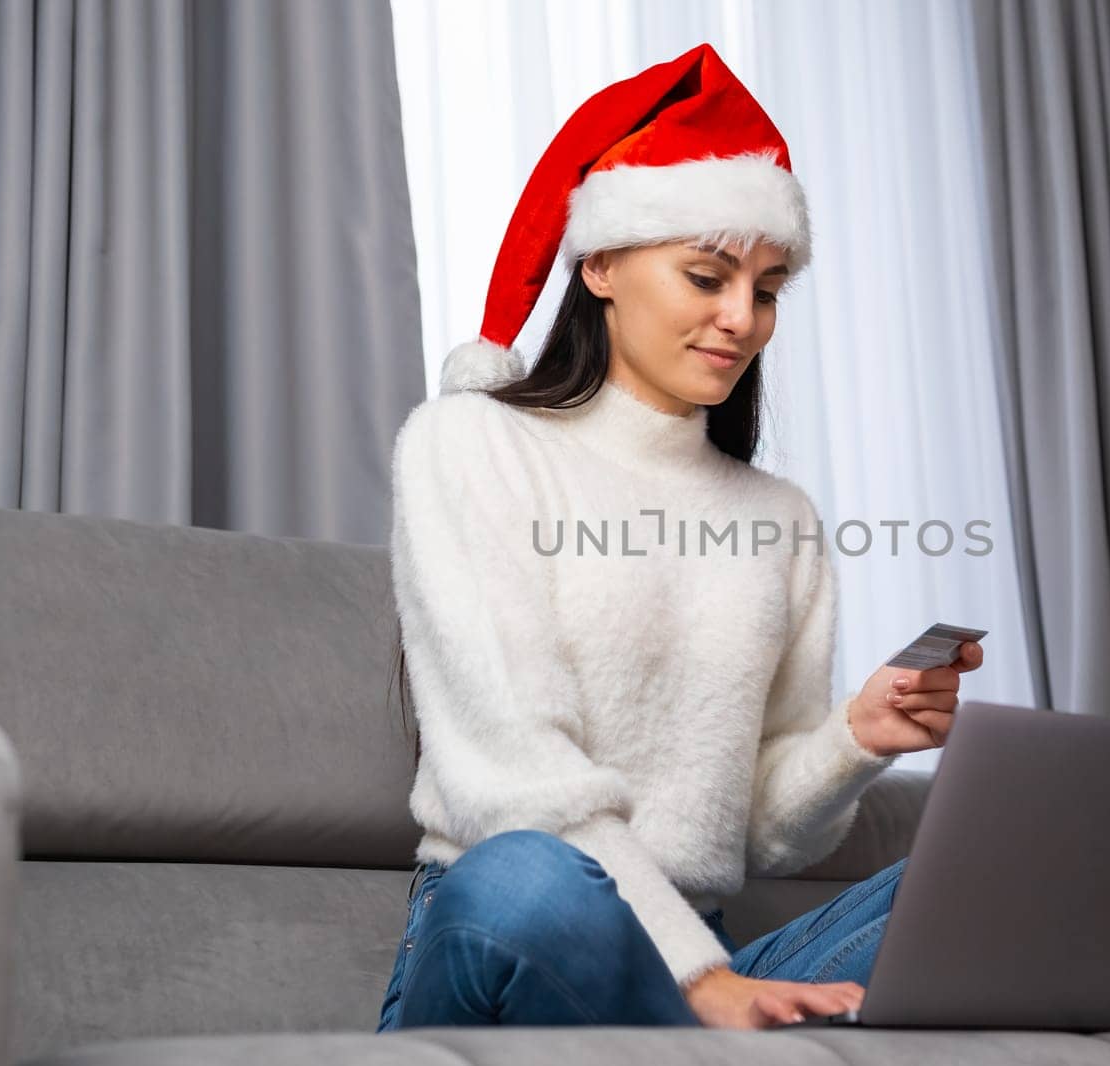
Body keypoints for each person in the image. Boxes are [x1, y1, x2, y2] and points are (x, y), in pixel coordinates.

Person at [375, 41, 984, 1033]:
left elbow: (755, 825)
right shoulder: (469, 442)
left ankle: (691, 1033)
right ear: (603, 262)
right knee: (529, 876)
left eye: (768, 288)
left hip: (699, 952)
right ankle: (699, 1029)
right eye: (706, 275)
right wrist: (700, 982)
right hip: (526, 935)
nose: (741, 320)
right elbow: (514, 778)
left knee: (996, 868)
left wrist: (853, 740)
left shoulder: (779, 518)